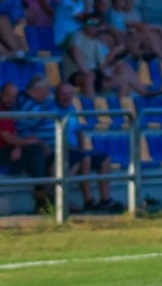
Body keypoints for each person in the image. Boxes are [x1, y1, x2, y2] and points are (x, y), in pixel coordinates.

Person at [44, 80, 119, 212]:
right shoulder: (49, 110)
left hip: (75, 150)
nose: (67, 97)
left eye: (69, 94)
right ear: (55, 94)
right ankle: (88, 200)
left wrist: (82, 149)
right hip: (61, 150)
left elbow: (79, 132)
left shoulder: (72, 108)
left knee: (104, 158)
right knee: (85, 158)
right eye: (63, 94)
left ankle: (105, 200)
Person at [0, 80, 52, 212]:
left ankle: (44, 196)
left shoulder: (8, 111)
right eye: (8, 95)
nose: (10, 99)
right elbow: (9, 139)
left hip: (8, 150)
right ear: (0, 94)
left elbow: (13, 134)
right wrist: (32, 140)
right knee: (37, 152)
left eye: (14, 97)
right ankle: (42, 197)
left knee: (42, 155)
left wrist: (18, 147)